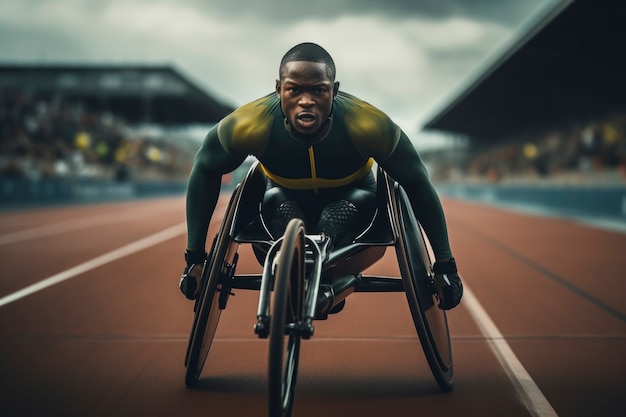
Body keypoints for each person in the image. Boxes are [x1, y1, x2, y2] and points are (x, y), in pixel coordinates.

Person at [180, 42, 463, 310]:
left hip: (354, 201)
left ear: (334, 90)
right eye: (294, 91)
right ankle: (297, 261)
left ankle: (324, 262)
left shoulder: (367, 124)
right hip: (281, 197)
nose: (306, 101)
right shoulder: (249, 124)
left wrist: (444, 264)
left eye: (318, 91)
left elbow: (416, 182)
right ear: (278, 89)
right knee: (284, 209)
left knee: (338, 211)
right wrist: (195, 257)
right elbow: (205, 168)